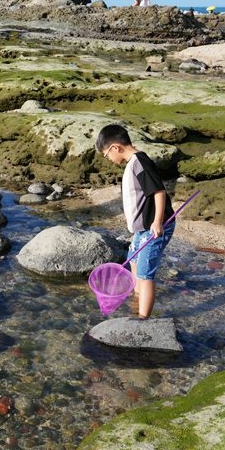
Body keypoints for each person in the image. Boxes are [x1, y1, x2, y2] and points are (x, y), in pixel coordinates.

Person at [96, 124, 174, 319]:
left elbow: (159, 191)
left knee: (146, 272)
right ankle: (137, 301)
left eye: (106, 155)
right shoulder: (133, 162)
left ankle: (142, 318)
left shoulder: (140, 162)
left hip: (154, 227)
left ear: (115, 147)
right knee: (133, 260)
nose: (109, 159)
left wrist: (157, 222)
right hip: (141, 229)